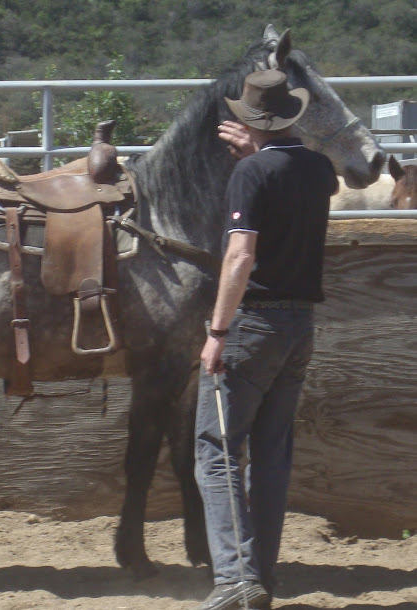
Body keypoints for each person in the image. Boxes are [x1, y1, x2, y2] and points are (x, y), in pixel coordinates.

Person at [193, 69, 339, 610]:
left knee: (218, 451)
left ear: (250, 122)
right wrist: (260, 151)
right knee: (273, 452)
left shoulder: (250, 173)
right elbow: (301, 170)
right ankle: (261, 577)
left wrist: (216, 332)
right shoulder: (319, 171)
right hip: (300, 325)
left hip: (252, 326)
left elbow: (241, 255)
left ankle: (235, 579)